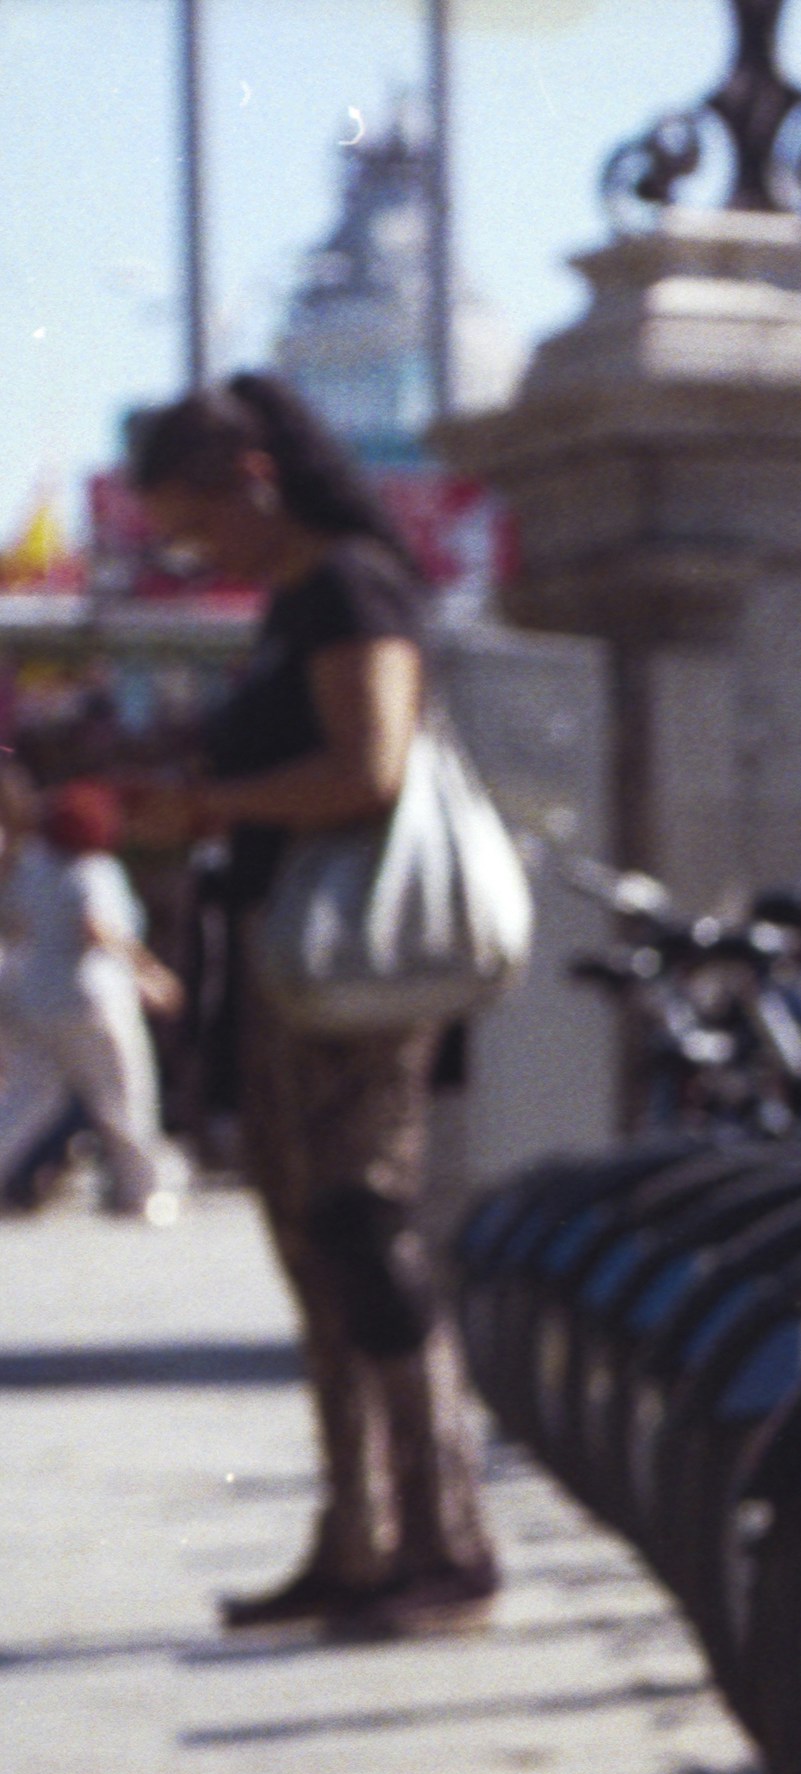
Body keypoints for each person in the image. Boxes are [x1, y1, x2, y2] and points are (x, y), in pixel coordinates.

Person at [116, 374, 496, 1637]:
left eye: (197, 524)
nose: (192, 552)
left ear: (256, 484)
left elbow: (367, 768)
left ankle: (444, 1539)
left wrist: (215, 807)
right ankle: (360, 1535)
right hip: (292, 969)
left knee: (360, 1228)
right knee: (314, 1247)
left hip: (355, 981)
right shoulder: (296, 601)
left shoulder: (351, 591)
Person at [0, 768, 189, 1222]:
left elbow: (15, 924)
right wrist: (150, 972)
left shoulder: (33, 866)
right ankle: (144, 1192)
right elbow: (99, 927)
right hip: (94, 1000)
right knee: (125, 1097)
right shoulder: (93, 869)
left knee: (27, 1099)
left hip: (37, 998)